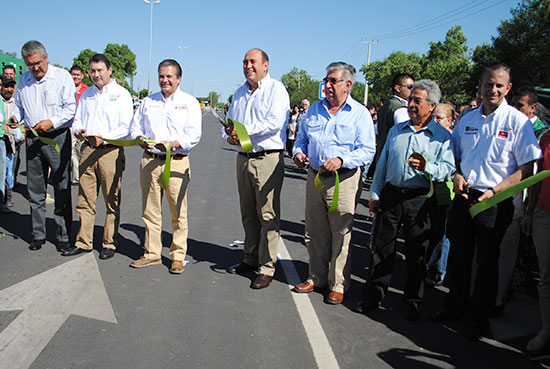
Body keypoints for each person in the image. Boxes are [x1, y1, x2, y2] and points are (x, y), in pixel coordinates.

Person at [431, 63, 541, 341]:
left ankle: (478, 319)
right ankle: (454, 304)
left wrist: (496, 190)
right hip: (465, 196)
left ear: (508, 88)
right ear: (479, 86)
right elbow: (454, 155)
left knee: (487, 262)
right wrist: (456, 174)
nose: (493, 90)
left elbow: (527, 168)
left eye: (499, 85)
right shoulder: (467, 119)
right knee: (459, 255)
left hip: (496, 200)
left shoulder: (518, 122)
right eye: (488, 84)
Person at [357, 80, 455, 320]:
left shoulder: (441, 137)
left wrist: (427, 166)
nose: (411, 105)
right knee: (382, 250)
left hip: (420, 200)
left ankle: (412, 300)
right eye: (410, 99)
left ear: (431, 106)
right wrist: (376, 193)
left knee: (416, 254)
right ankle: (373, 296)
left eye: (417, 101)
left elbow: (448, 170)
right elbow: (382, 164)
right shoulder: (396, 130)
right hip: (391, 195)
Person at [292, 62, 376, 304]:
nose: (327, 85)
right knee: (315, 231)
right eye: (326, 80)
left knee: (341, 232)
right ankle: (316, 277)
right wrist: (299, 153)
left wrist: (342, 160)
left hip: (344, 180)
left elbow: (367, 150)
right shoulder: (314, 111)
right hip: (315, 178)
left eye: (333, 81)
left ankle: (338, 283)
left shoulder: (359, 114)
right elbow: (301, 140)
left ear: (348, 85)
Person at [224, 48, 290, 289]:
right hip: (243, 158)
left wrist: (242, 131)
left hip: (267, 159)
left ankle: (267, 267)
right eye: (244, 62)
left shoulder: (276, 90)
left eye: (253, 61)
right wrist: (229, 136)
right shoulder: (239, 93)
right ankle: (250, 258)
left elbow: (273, 123)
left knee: (267, 215)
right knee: (248, 213)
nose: (248, 66)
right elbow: (229, 124)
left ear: (266, 65)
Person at [129, 59, 202, 274]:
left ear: (178, 78)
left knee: (178, 212)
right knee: (150, 211)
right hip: (150, 161)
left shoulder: (189, 102)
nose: (164, 80)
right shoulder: (148, 102)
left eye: (169, 76)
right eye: (161, 76)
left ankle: (177, 256)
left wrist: (175, 144)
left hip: (176, 162)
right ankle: (151, 254)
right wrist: (139, 137)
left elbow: (194, 134)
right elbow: (135, 125)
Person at [61, 54, 132, 260]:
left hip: (111, 151)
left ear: (109, 70)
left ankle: (109, 243)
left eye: (100, 70)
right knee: (84, 199)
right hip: (88, 149)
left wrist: (105, 138)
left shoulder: (121, 94)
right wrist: (79, 130)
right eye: (92, 71)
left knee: (111, 199)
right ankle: (83, 241)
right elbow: (78, 119)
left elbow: (126, 126)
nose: (96, 74)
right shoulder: (87, 94)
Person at [10, 40, 76, 252]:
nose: (35, 68)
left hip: (56, 137)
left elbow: (70, 109)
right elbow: (20, 107)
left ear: (46, 57)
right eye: (30, 65)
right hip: (32, 138)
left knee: (61, 187)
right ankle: (38, 234)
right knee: (35, 189)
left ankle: (64, 234)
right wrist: (15, 117)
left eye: (38, 63)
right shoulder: (24, 80)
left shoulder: (62, 77)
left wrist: (52, 122)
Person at [524, 129, 550, 354]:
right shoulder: (546, 137)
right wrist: (530, 210)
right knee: (545, 277)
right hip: (544, 213)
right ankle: (546, 328)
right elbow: (538, 175)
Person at [425, 102, 455, 286]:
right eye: (433, 116)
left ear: (450, 120)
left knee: (442, 234)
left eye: (439, 118)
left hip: (446, 191)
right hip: (428, 190)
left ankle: (437, 271)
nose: (435, 121)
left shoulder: (451, 139)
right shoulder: (430, 135)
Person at [1, 76, 23, 210]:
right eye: (6, 86)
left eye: (11, 87)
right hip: (2, 139)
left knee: (9, 170)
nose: (9, 89)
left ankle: (7, 197)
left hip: (12, 141)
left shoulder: (16, 103)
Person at [70, 65, 89, 185]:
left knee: (81, 151)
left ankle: (83, 175)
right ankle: (76, 178)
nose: (75, 77)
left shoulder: (87, 91)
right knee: (71, 153)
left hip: (83, 127)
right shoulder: (67, 89)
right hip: (70, 125)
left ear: (82, 76)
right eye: (73, 74)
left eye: (78, 75)